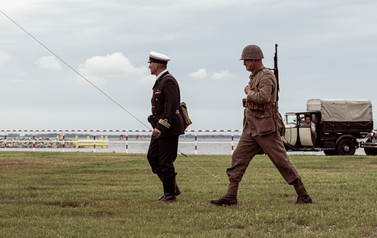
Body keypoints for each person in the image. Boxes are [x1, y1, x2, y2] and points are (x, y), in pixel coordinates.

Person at [210, 45, 313, 206]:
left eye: (246, 60)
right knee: (238, 158)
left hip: (266, 128)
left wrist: (248, 92)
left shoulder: (266, 76)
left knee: (281, 161)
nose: (244, 63)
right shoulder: (255, 75)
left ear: (255, 59)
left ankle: (303, 194)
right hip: (251, 128)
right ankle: (231, 195)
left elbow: (264, 97)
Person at [146, 51, 185, 203]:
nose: (149, 66)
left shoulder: (168, 81)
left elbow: (171, 106)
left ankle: (170, 195)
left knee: (165, 162)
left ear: (156, 65)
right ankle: (172, 188)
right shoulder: (160, 81)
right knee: (152, 157)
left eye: (150, 64)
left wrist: (161, 127)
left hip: (167, 128)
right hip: (160, 127)